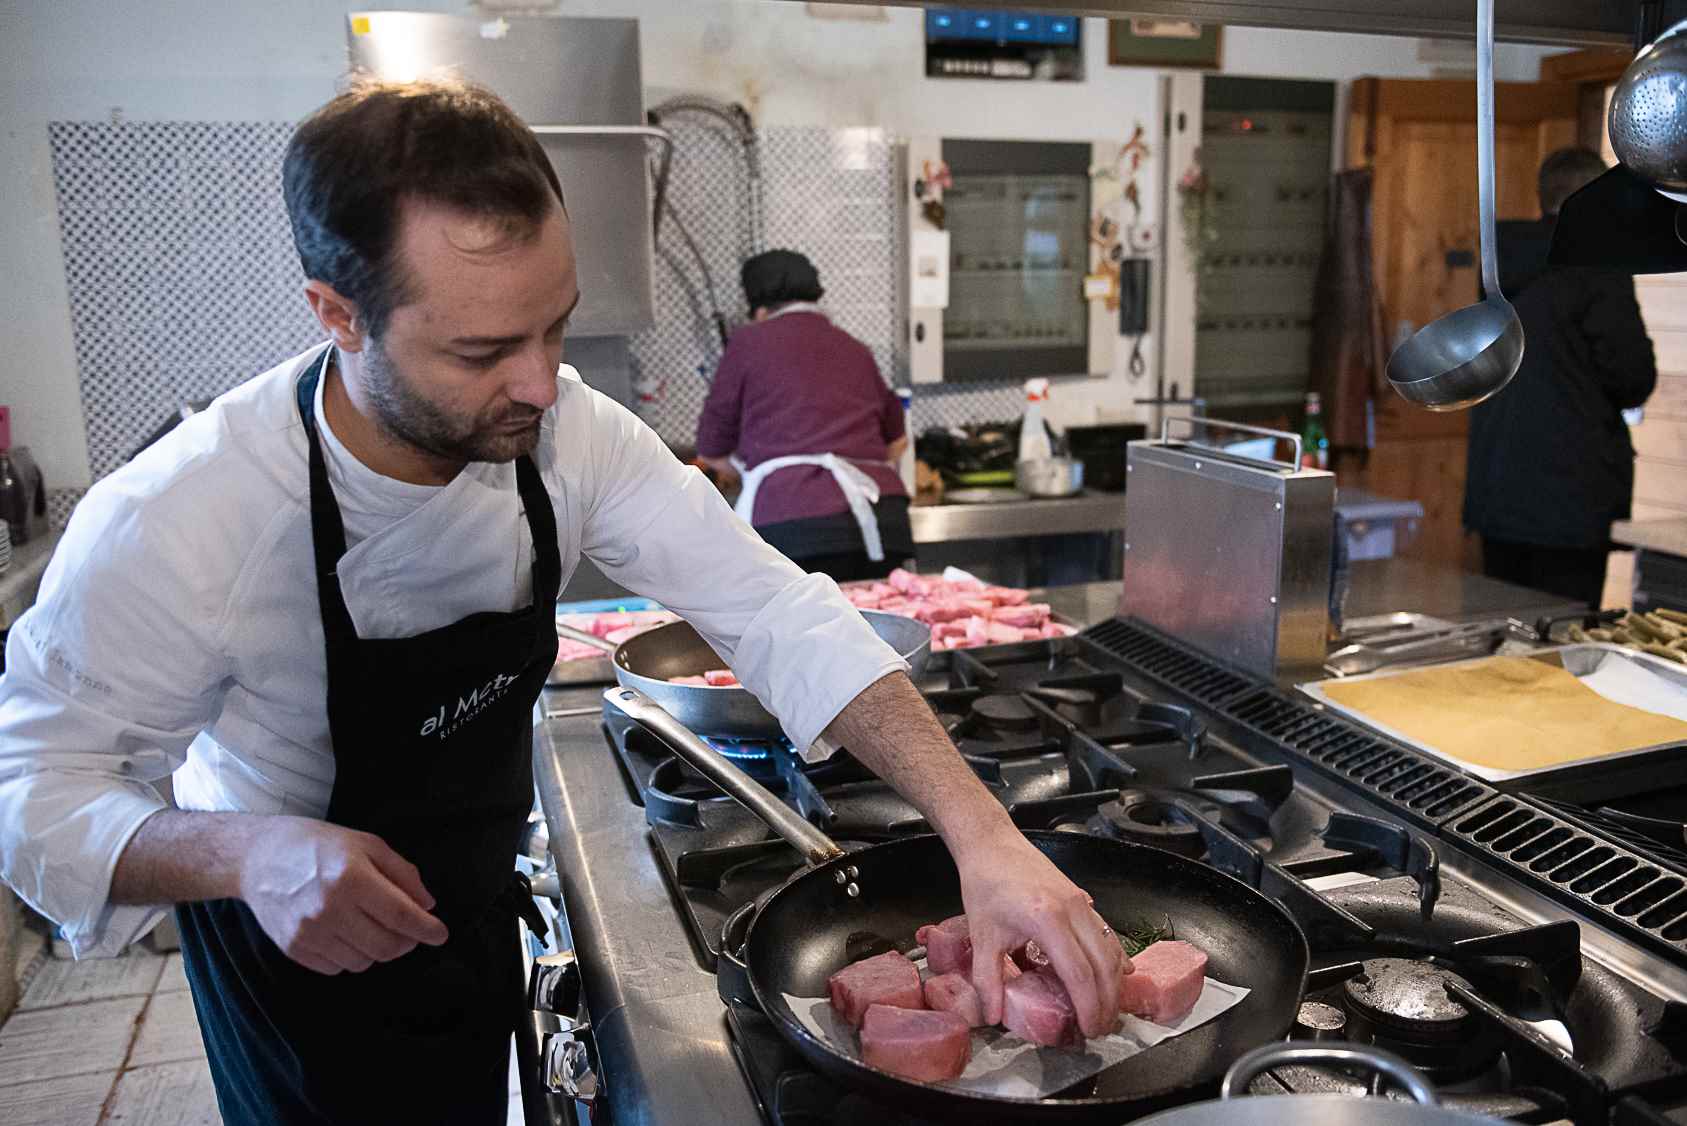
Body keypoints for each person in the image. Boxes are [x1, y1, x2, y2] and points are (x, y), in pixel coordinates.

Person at [0, 81, 1125, 1126]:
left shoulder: (568, 432)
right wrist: (245, 852)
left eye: (555, 325)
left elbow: (775, 609)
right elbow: (31, 794)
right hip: (287, 949)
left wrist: (983, 835)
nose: (541, 383)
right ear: (337, 314)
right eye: (485, 348)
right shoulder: (182, 515)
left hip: (467, 907)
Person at [1465, 147, 1658, 608]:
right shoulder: (1596, 266)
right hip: (1572, 496)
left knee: (1502, 638)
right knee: (1560, 645)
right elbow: (1632, 376)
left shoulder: (1499, 264)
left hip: (1498, 487)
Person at [696, 249, 914, 582]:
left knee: (799, 631)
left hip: (793, 523)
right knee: (880, 628)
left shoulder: (747, 343)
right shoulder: (854, 347)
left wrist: (756, 474)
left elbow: (711, 450)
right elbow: (897, 442)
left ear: (759, 309)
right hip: (883, 521)